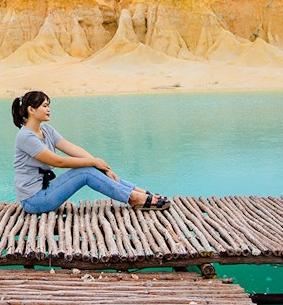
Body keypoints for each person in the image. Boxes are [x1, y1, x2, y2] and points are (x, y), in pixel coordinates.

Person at [12, 90, 171, 214]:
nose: (48, 109)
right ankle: (132, 198)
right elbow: (58, 162)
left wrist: (102, 167)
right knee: (86, 171)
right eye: (45, 106)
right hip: (34, 200)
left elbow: (72, 149)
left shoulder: (45, 129)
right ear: (31, 110)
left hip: (45, 190)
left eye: (48, 105)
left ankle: (138, 192)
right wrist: (93, 162)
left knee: (91, 167)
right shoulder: (25, 137)